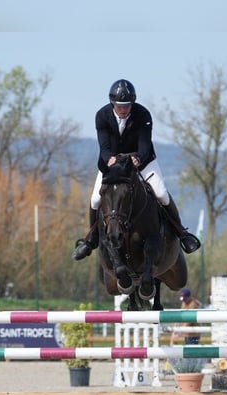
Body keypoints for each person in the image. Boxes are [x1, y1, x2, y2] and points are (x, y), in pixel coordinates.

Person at [72, 79, 201, 261]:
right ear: (112, 104)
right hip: (113, 165)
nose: (123, 110)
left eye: (127, 106)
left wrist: (138, 158)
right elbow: (104, 146)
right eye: (119, 106)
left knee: (161, 194)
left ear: (132, 103)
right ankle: (91, 240)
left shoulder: (142, 114)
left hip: (143, 161)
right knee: (95, 199)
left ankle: (182, 234)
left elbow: (145, 144)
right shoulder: (102, 116)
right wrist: (110, 159)